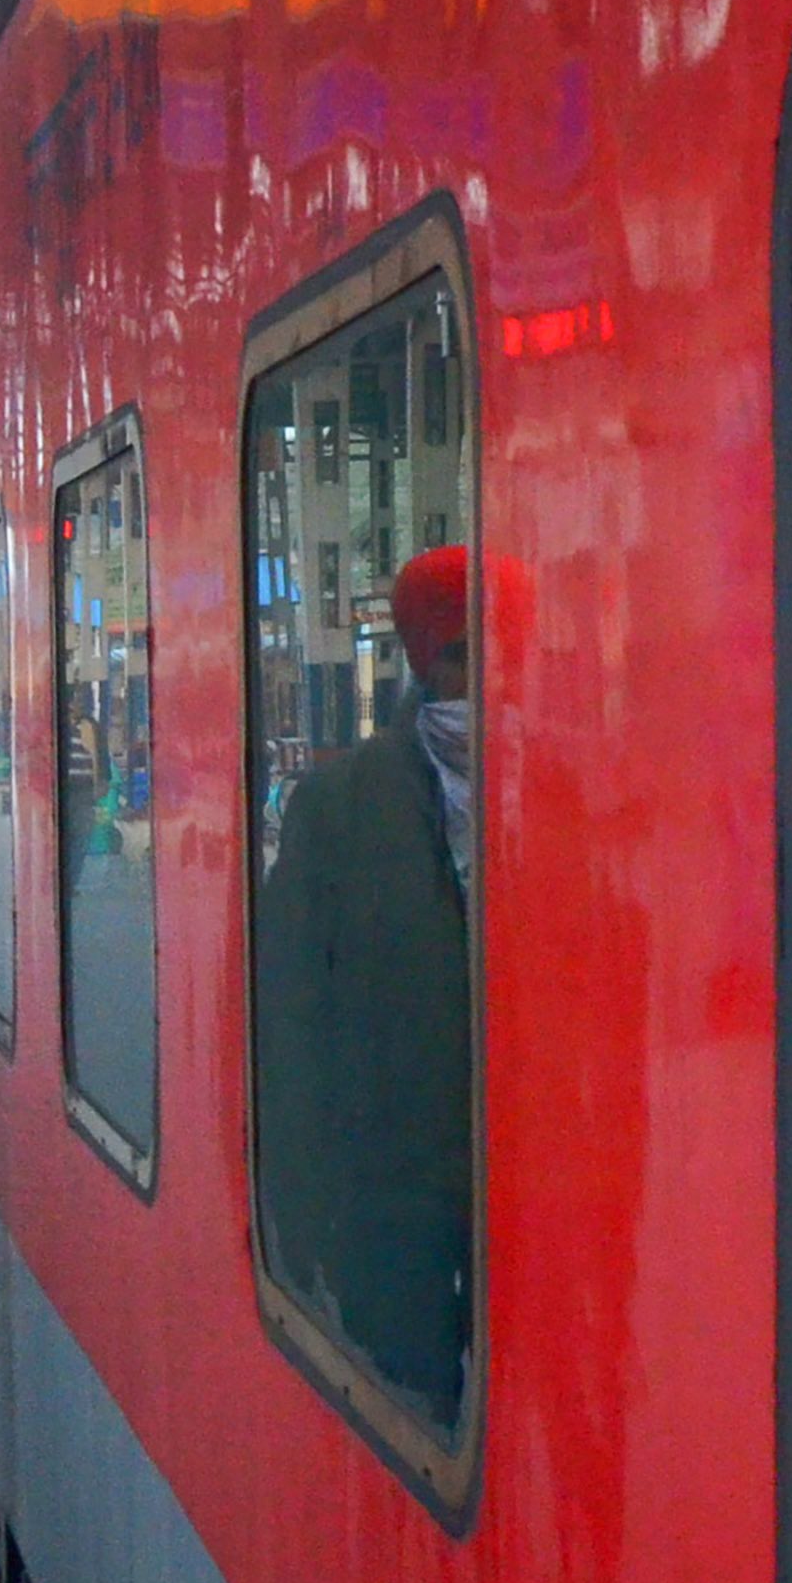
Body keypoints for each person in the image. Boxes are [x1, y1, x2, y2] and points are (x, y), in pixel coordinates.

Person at [249, 541, 482, 1424]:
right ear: (426, 663)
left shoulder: (567, 785)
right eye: (463, 655)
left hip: (534, 1200)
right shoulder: (342, 808)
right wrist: (301, 1218)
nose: (484, 680)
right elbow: (289, 1017)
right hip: (395, 1208)